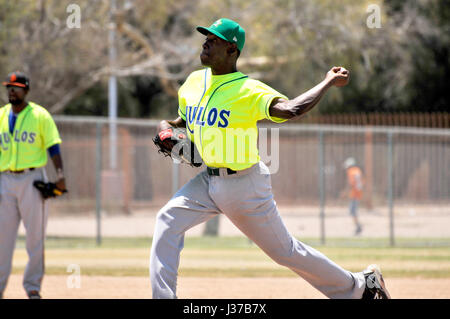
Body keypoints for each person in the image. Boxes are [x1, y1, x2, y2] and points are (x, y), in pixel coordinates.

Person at [150, 18, 390, 299]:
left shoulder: (248, 90)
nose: (206, 42)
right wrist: (165, 129)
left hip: (244, 185)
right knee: (167, 219)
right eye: (206, 37)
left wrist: (327, 82)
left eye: (214, 40)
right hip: (206, 182)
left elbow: (291, 109)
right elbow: (178, 120)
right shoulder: (192, 82)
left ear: (231, 50)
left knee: (285, 252)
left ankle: (361, 286)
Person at [0, 71, 66, 299]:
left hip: (32, 179)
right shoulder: (1, 115)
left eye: (16, 87)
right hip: (4, 179)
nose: (12, 90)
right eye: (9, 86)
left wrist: (60, 175)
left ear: (26, 90)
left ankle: (32, 287)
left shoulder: (40, 115)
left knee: (35, 237)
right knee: (2, 238)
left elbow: (53, 147)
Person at [343, 157, 364, 235]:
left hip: (354, 194)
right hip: (358, 193)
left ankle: (358, 227)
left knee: (352, 211)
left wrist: (346, 192)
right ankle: (358, 226)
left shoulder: (351, 171)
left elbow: (351, 183)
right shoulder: (357, 170)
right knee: (353, 211)